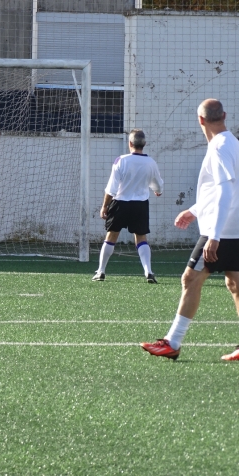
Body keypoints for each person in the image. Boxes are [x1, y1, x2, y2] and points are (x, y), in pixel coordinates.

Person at [142, 99, 239, 361]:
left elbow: (226, 191)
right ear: (225, 116)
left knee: (190, 279)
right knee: (235, 284)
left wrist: (214, 236)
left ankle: (172, 342)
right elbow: (219, 189)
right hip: (234, 228)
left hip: (223, 230)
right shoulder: (232, 143)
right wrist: (194, 211)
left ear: (200, 120)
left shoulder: (219, 147)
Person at [93, 129, 164, 283]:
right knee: (141, 237)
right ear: (144, 144)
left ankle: (101, 271)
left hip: (120, 203)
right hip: (140, 205)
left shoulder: (121, 160)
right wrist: (157, 191)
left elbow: (111, 188)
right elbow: (158, 184)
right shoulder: (151, 162)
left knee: (111, 235)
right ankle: (148, 272)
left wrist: (105, 206)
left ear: (130, 143)